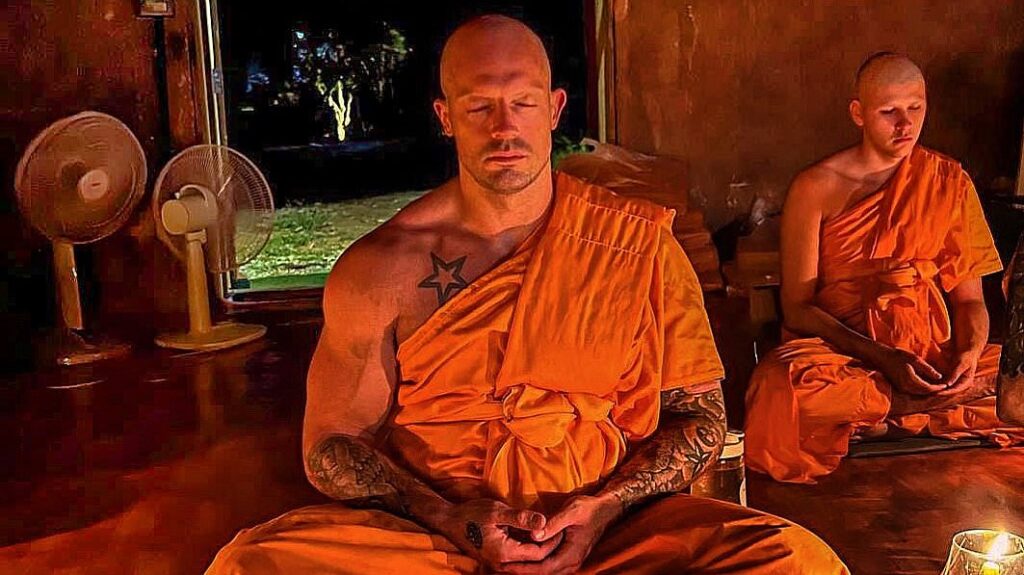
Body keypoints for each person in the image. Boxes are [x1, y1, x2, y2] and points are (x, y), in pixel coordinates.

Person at [207, 15, 848, 573]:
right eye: (479, 107)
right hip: (439, 537)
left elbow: (700, 419)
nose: (504, 129)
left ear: (556, 108)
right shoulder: (379, 269)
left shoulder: (638, 246)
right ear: (445, 117)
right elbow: (330, 446)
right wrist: (449, 516)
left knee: (792, 560)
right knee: (253, 563)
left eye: (524, 102)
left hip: (608, 534)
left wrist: (604, 507)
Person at [744, 52, 1024, 484]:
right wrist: (884, 357)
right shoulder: (815, 187)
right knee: (779, 388)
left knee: (1014, 374)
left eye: (915, 108)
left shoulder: (948, 181)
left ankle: (884, 413)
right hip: (845, 354)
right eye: (889, 111)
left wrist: (968, 356)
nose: (905, 124)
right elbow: (797, 308)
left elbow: (969, 300)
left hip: (931, 354)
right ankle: (924, 407)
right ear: (858, 114)